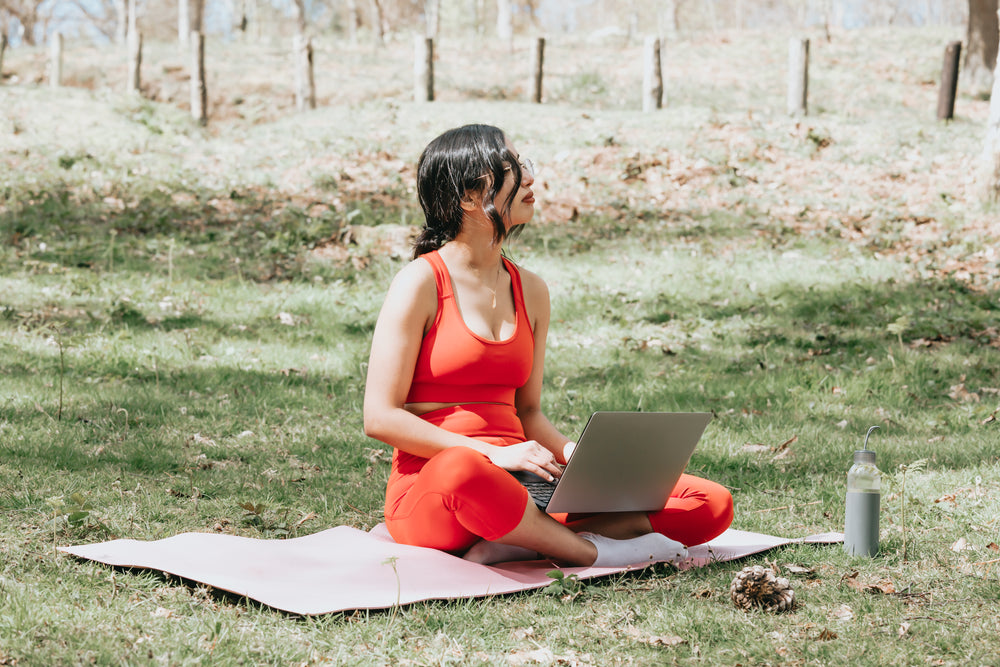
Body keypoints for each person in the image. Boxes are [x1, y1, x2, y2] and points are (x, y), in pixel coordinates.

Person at [363, 124, 733, 567]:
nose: (530, 178)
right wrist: (495, 453)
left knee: (709, 501)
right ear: (468, 197)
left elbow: (528, 413)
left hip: (525, 480)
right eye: (512, 168)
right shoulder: (420, 282)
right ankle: (589, 552)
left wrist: (572, 455)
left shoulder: (531, 290)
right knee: (463, 470)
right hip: (437, 486)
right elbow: (380, 417)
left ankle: (515, 539)